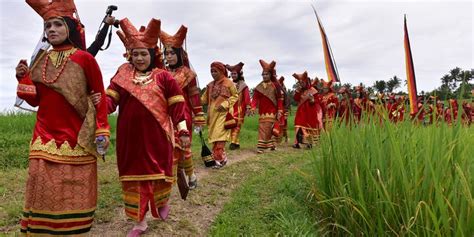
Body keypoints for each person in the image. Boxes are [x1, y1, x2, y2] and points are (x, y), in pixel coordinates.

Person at [16, 0, 110, 235]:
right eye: (47, 26)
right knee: (41, 189)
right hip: (43, 136)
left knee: (70, 191)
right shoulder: (41, 59)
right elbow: (37, 100)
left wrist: (102, 130)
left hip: (76, 136)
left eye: (57, 24)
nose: (51, 30)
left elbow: (98, 96)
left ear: (69, 26)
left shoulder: (84, 59)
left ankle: (71, 230)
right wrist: (23, 78)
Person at [104, 18, 190, 236]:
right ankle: (139, 221)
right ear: (129, 55)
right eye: (135, 54)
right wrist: (95, 102)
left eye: (144, 53)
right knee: (134, 179)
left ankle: (161, 202)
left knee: (158, 175)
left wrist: (182, 131)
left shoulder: (163, 77)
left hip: (158, 136)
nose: (139, 58)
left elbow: (178, 106)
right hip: (129, 139)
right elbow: (109, 102)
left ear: (153, 54)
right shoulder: (122, 74)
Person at [161, 25, 204, 189]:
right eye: (166, 53)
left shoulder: (187, 73)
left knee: (183, 146)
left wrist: (199, 116)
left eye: (172, 53)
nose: (169, 56)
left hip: (183, 114)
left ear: (179, 54)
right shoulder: (161, 72)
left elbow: (194, 96)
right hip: (165, 114)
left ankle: (191, 175)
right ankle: (170, 179)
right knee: (167, 147)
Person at [201, 62, 238, 167]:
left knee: (219, 136)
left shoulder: (228, 83)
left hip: (223, 114)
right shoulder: (210, 85)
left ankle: (219, 159)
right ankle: (220, 157)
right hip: (212, 115)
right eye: (211, 71)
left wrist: (226, 103)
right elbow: (203, 100)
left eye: (215, 71)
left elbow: (235, 96)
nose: (213, 73)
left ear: (221, 71)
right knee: (214, 137)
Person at [249, 60, 283, 153]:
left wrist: (280, 110)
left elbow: (279, 99)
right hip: (262, 111)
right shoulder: (258, 87)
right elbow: (255, 99)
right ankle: (270, 145)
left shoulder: (276, 86)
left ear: (270, 75)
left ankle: (262, 147)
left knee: (268, 127)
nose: (264, 76)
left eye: (266, 74)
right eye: (263, 74)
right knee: (262, 127)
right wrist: (253, 107)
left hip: (272, 111)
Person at [292, 72, 323, 149]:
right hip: (301, 111)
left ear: (306, 81)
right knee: (298, 125)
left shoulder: (313, 90)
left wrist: (312, 100)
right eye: (300, 82)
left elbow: (318, 101)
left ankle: (310, 143)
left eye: (302, 82)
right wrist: (297, 91)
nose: (301, 84)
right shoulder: (300, 90)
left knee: (309, 127)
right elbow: (296, 99)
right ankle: (297, 143)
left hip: (310, 111)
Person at [225, 62, 251, 150]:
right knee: (232, 125)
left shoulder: (243, 85)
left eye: (235, 73)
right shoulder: (229, 84)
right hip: (230, 108)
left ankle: (233, 142)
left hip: (240, 108)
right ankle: (236, 142)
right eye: (232, 74)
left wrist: (248, 107)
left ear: (239, 74)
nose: (233, 75)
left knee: (237, 125)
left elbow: (247, 97)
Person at [276, 76, 290, 143]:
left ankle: (286, 137)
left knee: (284, 123)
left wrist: (285, 109)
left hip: (284, 109)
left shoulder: (284, 91)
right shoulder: (277, 89)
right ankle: (278, 137)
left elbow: (286, 101)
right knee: (278, 123)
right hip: (278, 108)